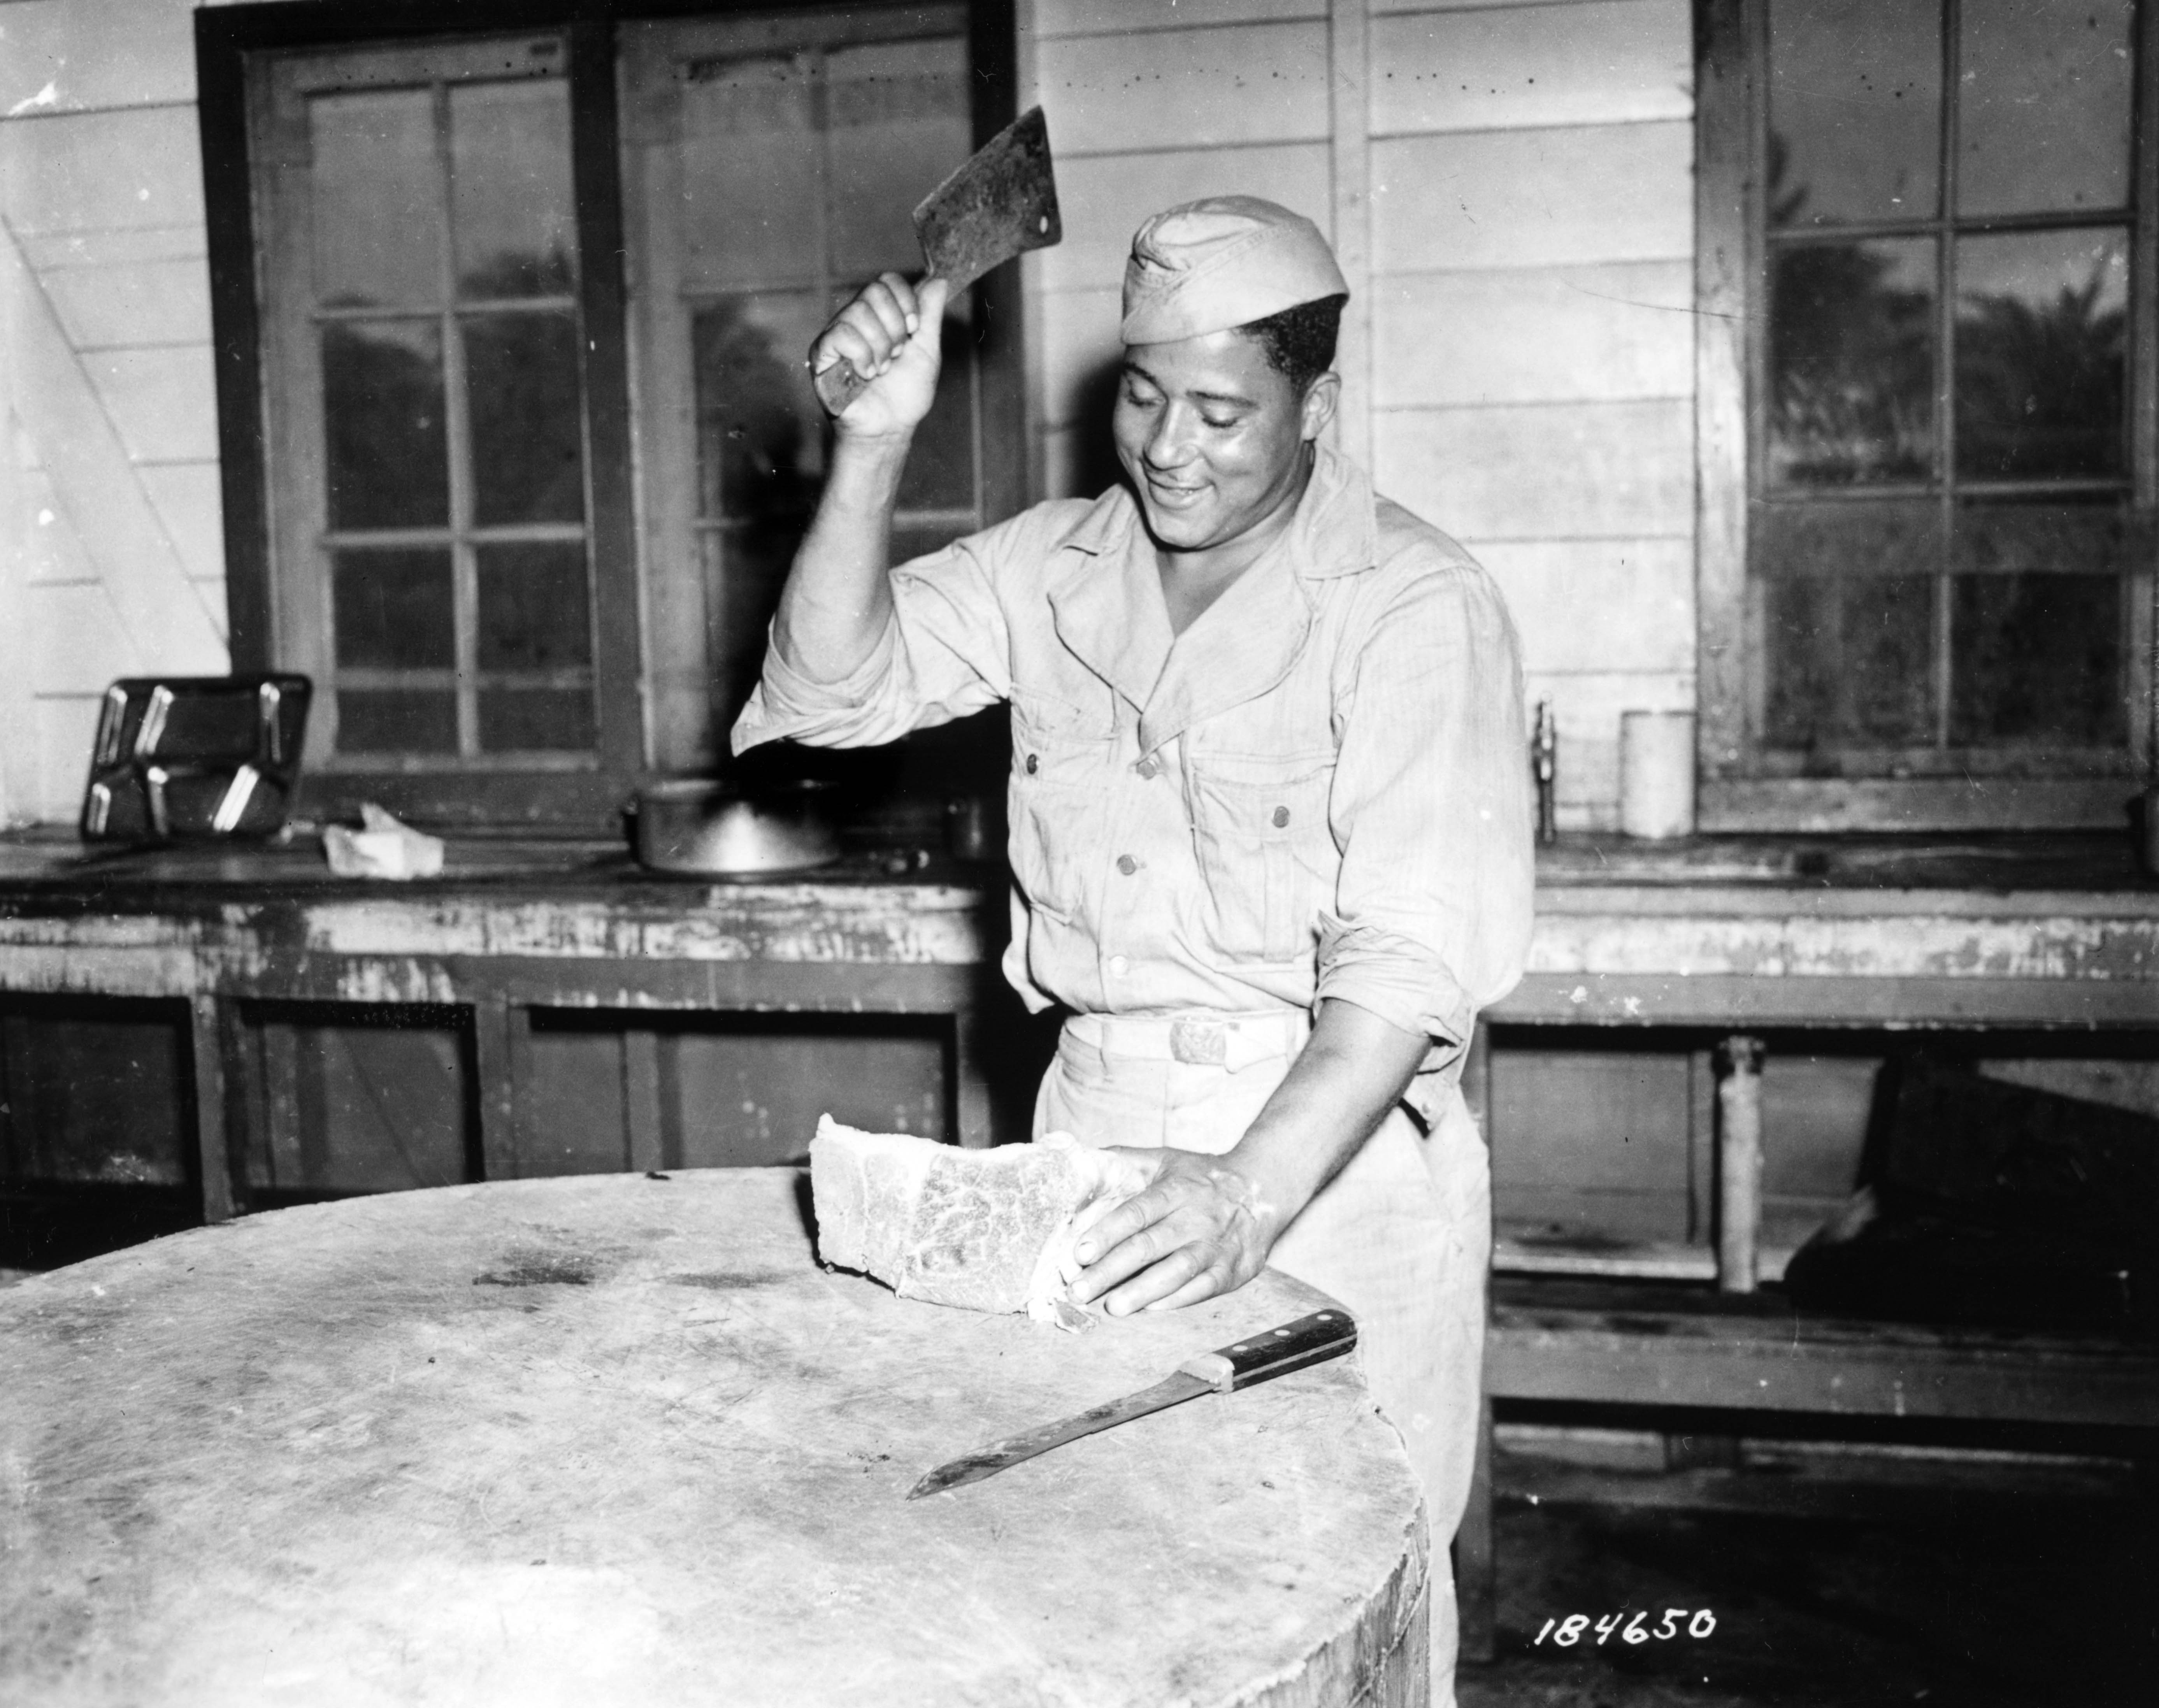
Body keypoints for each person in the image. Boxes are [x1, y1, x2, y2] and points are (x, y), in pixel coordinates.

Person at [733, 197, 1533, 1703]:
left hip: (1324, 1167)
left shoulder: (1412, 604)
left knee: (1334, 1623)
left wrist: (1244, 1196)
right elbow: (827, 692)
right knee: (1104, 1611)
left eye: (1224, 413)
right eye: (1146, 398)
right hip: (1092, 1142)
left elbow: (1399, 978)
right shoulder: (1054, 568)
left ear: (1318, 406)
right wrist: (873, 445)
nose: (1170, 448)